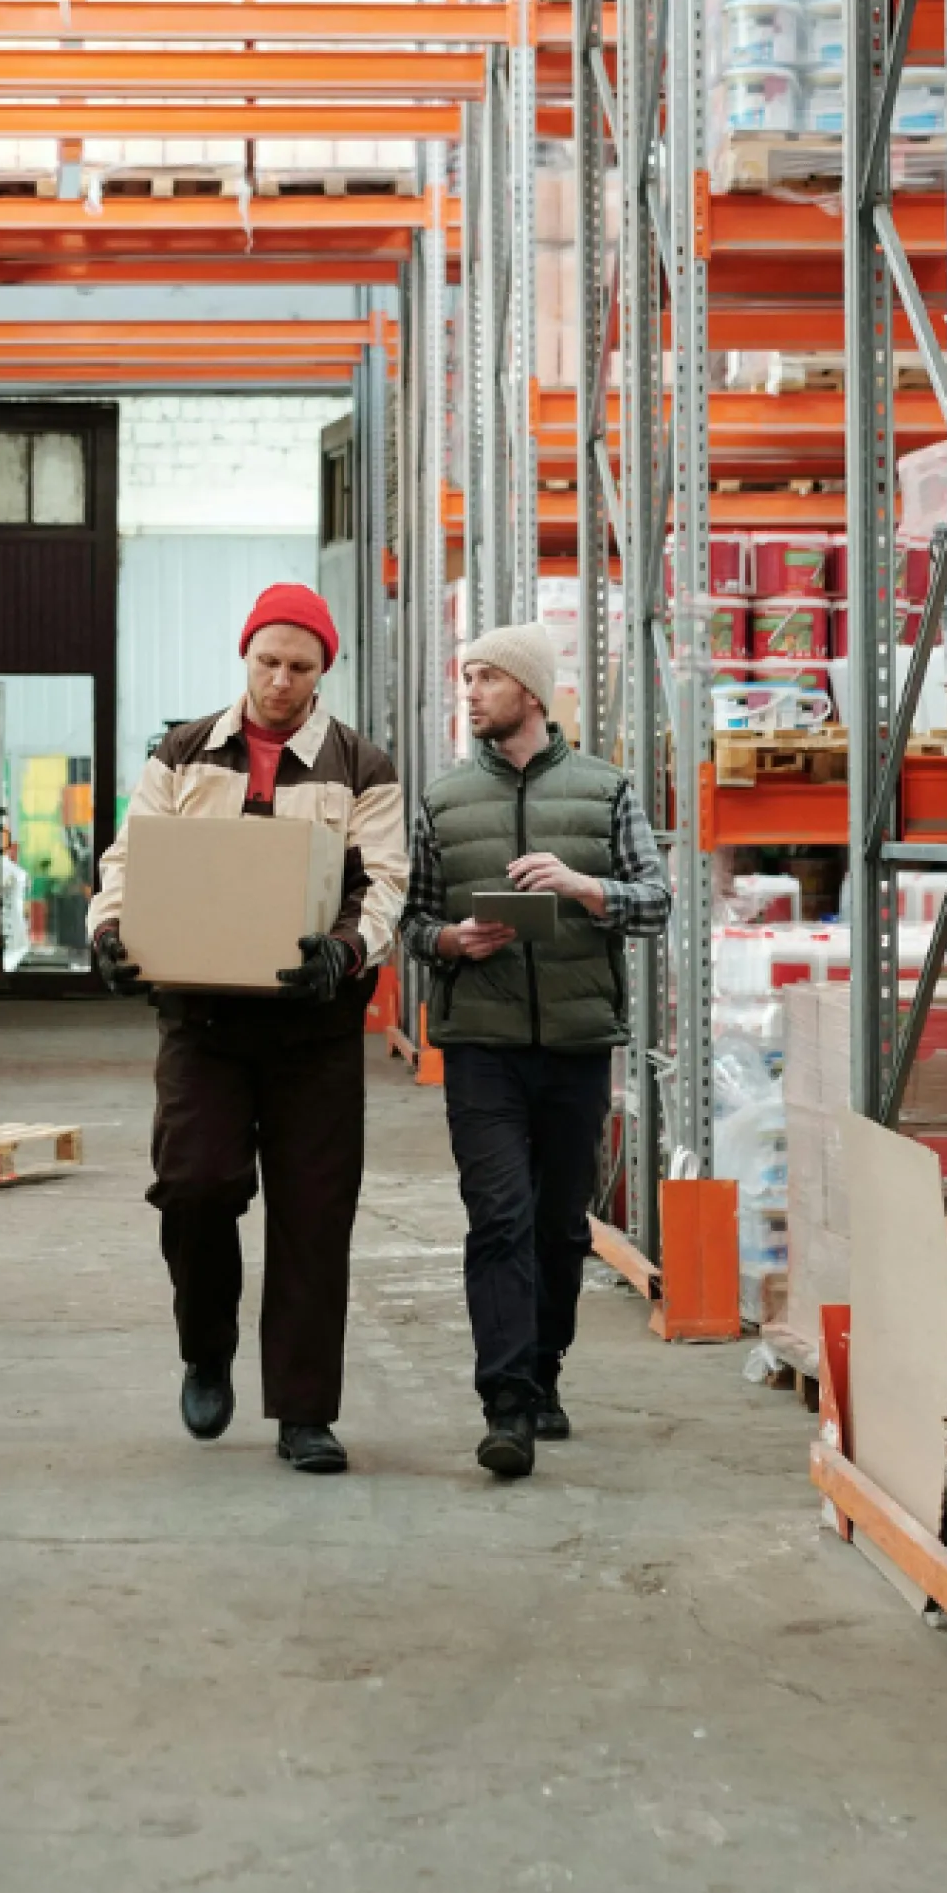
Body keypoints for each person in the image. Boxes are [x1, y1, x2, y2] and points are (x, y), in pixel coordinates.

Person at [85, 583, 406, 1476]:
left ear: (322, 671)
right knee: (193, 1185)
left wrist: (345, 954)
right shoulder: (185, 752)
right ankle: (206, 1345)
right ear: (246, 655)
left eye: (299, 667)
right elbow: (129, 855)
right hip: (205, 1021)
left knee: (312, 1217)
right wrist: (110, 932)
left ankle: (304, 1413)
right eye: (267, 661)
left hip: (313, 1026)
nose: (279, 681)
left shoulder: (360, 765)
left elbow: (382, 882)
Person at [398, 621, 669, 1480]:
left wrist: (586, 889)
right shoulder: (443, 801)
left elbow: (657, 901)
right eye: (465, 677)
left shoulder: (607, 790)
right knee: (501, 1219)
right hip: (480, 1043)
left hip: (578, 1044)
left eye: (484, 677)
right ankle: (506, 1403)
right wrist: (451, 943)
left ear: (529, 691)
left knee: (559, 1226)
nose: (469, 691)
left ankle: (545, 1368)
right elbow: (412, 921)